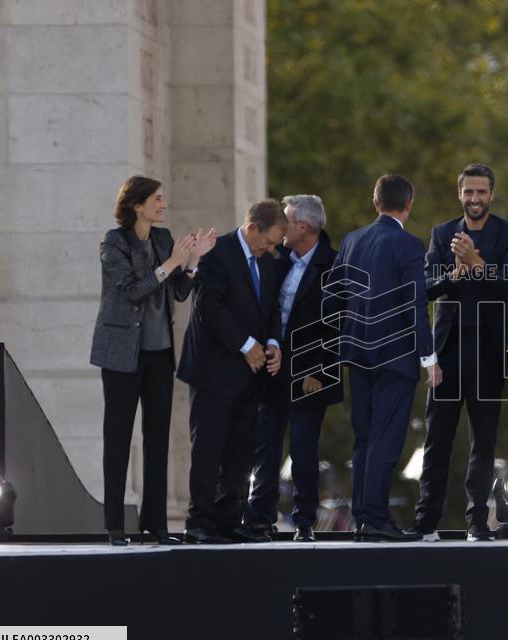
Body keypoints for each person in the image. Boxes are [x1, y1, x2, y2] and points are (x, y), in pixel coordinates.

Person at [90, 175, 216, 546]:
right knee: (117, 436)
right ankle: (115, 525)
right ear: (136, 204)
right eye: (157, 199)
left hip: (159, 354)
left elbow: (177, 292)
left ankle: (156, 525)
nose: (163, 205)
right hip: (121, 355)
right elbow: (131, 290)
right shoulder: (114, 242)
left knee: (157, 436)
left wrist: (192, 262)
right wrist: (172, 262)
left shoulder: (163, 239)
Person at [407, 163, 508, 542]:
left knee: (484, 441)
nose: (475, 199)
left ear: (491, 194)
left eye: (481, 192)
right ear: (459, 194)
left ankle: (477, 523)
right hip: (447, 352)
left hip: (489, 352)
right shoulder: (442, 234)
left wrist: (478, 265)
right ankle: (426, 522)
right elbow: (425, 287)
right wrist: (454, 275)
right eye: (468, 192)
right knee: (436, 439)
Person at [329, 174, 442, 542]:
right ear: (408, 205)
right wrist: (429, 359)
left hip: (357, 353)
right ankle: (376, 518)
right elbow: (415, 302)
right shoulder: (408, 244)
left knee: (363, 438)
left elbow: (335, 297)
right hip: (395, 357)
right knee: (385, 439)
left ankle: (364, 515)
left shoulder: (351, 241)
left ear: (375, 202)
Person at [177, 200, 287, 544]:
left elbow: (271, 308)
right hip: (213, 370)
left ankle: (228, 520)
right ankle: (199, 522)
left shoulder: (268, 263)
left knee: (240, 451)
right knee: (208, 448)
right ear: (253, 227)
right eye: (269, 241)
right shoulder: (216, 252)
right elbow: (209, 308)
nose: (272, 249)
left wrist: (271, 343)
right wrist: (247, 345)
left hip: (250, 375)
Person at [237, 195, 342, 543]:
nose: (280, 227)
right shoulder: (276, 257)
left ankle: (305, 521)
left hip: (311, 374)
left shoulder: (335, 265)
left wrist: (322, 372)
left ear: (304, 227)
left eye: (287, 220)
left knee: (303, 447)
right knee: (264, 442)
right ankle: (258, 517)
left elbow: (340, 325)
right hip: (272, 367)